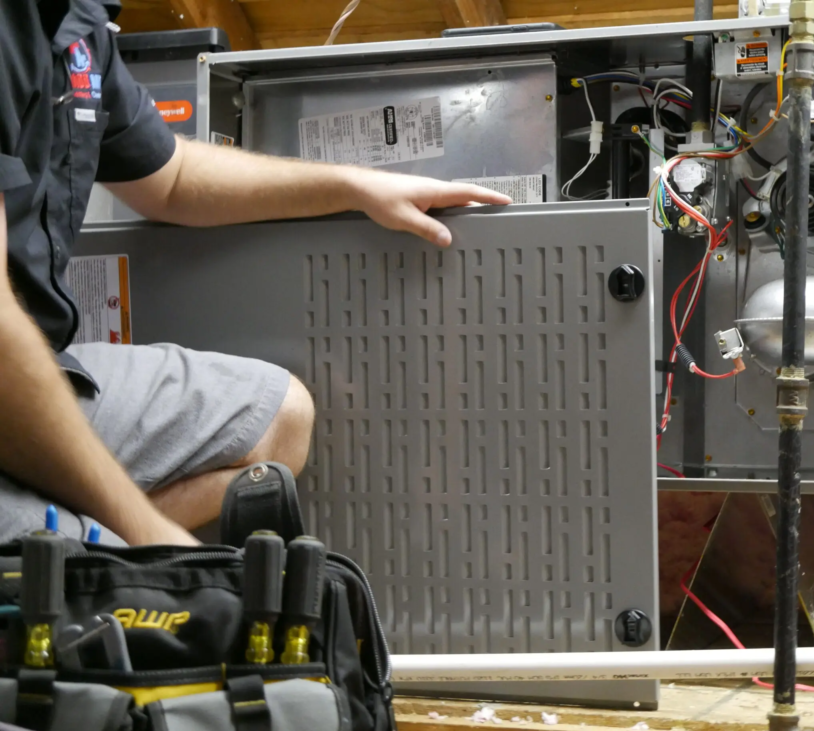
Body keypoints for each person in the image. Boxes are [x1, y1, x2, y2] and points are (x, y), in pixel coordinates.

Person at [0, 0, 512, 547]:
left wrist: (355, 186)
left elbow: (173, 179)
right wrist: (155, 538)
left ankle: (74, 549)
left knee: (278, 418)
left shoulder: (79, 24)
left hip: (45, 357)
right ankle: (75, 555)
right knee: (82, 543)